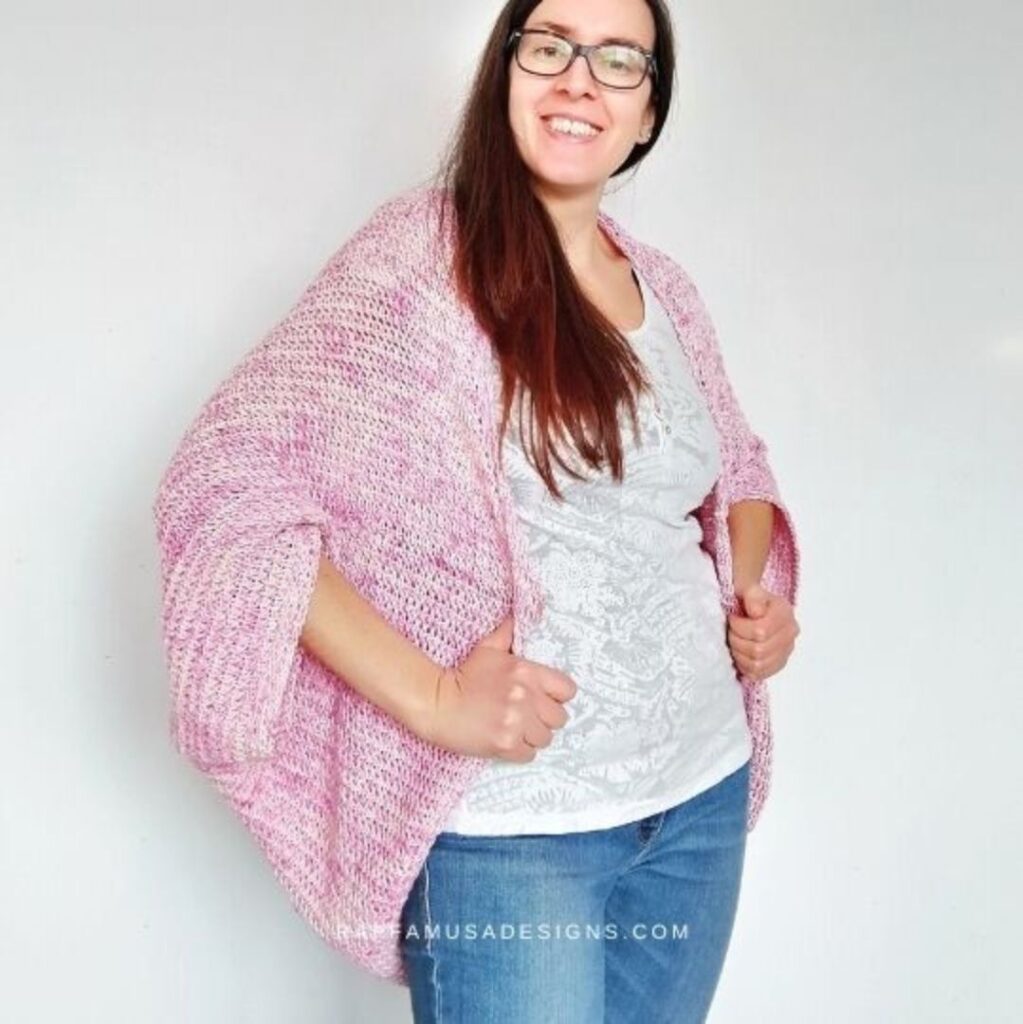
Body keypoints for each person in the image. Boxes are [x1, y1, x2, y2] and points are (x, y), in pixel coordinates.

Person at [152, 0, 801, 1020]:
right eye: (549, 47)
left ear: (647, 113)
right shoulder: (417, 265)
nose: (580, 78)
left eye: (618, 61)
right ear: (503, 76)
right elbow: (228, 484)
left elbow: (737, 475)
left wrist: (753, 599)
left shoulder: (663, 287)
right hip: (514, 832)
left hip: (697, 800)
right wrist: (432, 699)